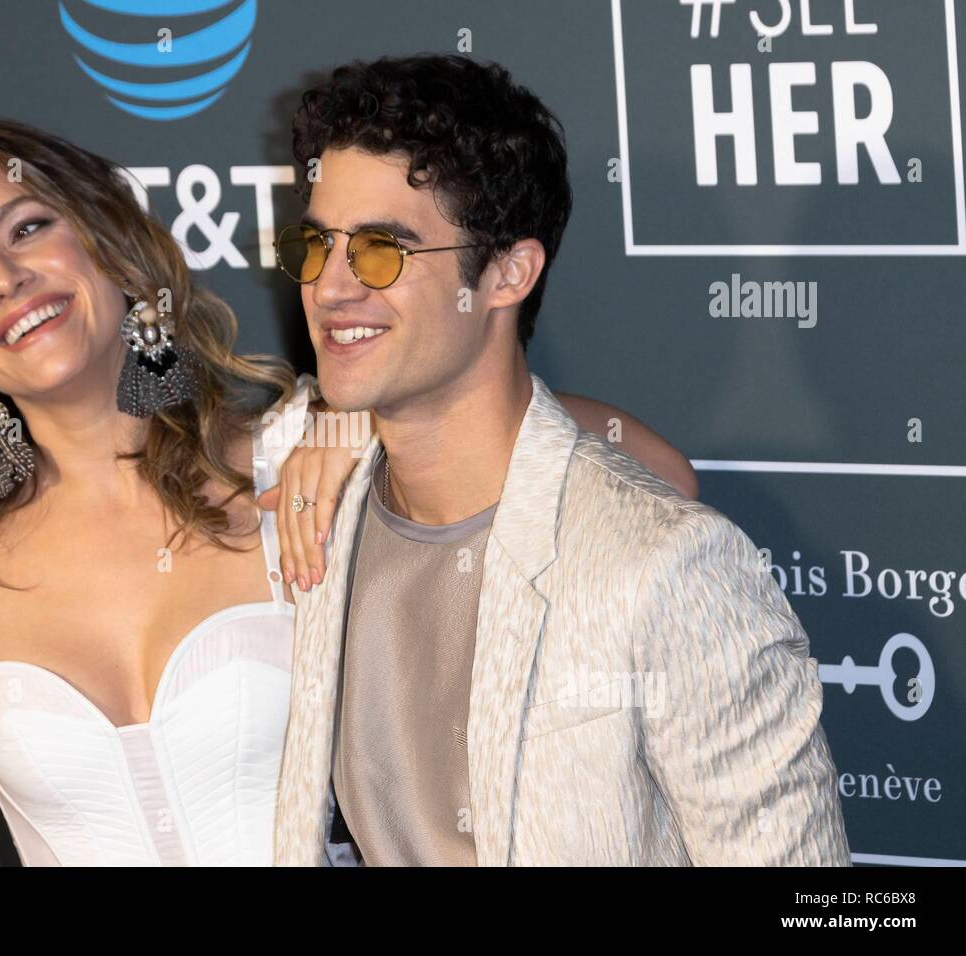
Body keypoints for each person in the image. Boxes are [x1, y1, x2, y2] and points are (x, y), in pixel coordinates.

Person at [0, 118, 697, 866]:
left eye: (27, 228)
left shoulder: (297, 459)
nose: (3, 279)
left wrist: (378, 417)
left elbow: (655, 473)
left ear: (111, 242)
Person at [270, 54, 851, 866]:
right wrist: (333, 426)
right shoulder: (310, 517)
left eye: (379, 251)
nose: (329, 287)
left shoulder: (661, 565)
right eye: (315, 244)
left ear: (508, 272)